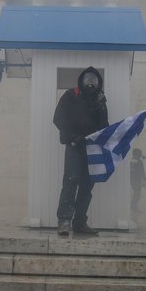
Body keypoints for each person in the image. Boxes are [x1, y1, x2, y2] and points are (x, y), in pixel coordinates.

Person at [52, 66, 108, 236]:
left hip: (92, 148)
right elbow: (58, 118)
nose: (91, 83)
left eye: (94, 80)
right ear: (81, 80)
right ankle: (64, 221)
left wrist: (101, 107)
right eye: (88, 79)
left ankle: (79, 222)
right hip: (74, 146)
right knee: (71, 181)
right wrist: (72, 136)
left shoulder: (100, 100)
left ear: (99, 83)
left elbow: (104, 125)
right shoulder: (71, 95)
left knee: (87, 185)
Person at [130, 148, 146, 213]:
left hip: (132, 180)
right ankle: (134, 207)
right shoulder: (139, 161)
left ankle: (133, 207)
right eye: (140, 154)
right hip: (137, 180)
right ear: (138, 154)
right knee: (137, 194)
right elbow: (141, 170)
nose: (141, 155)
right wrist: (144, 178)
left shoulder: (131, 160)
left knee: (135, 193)